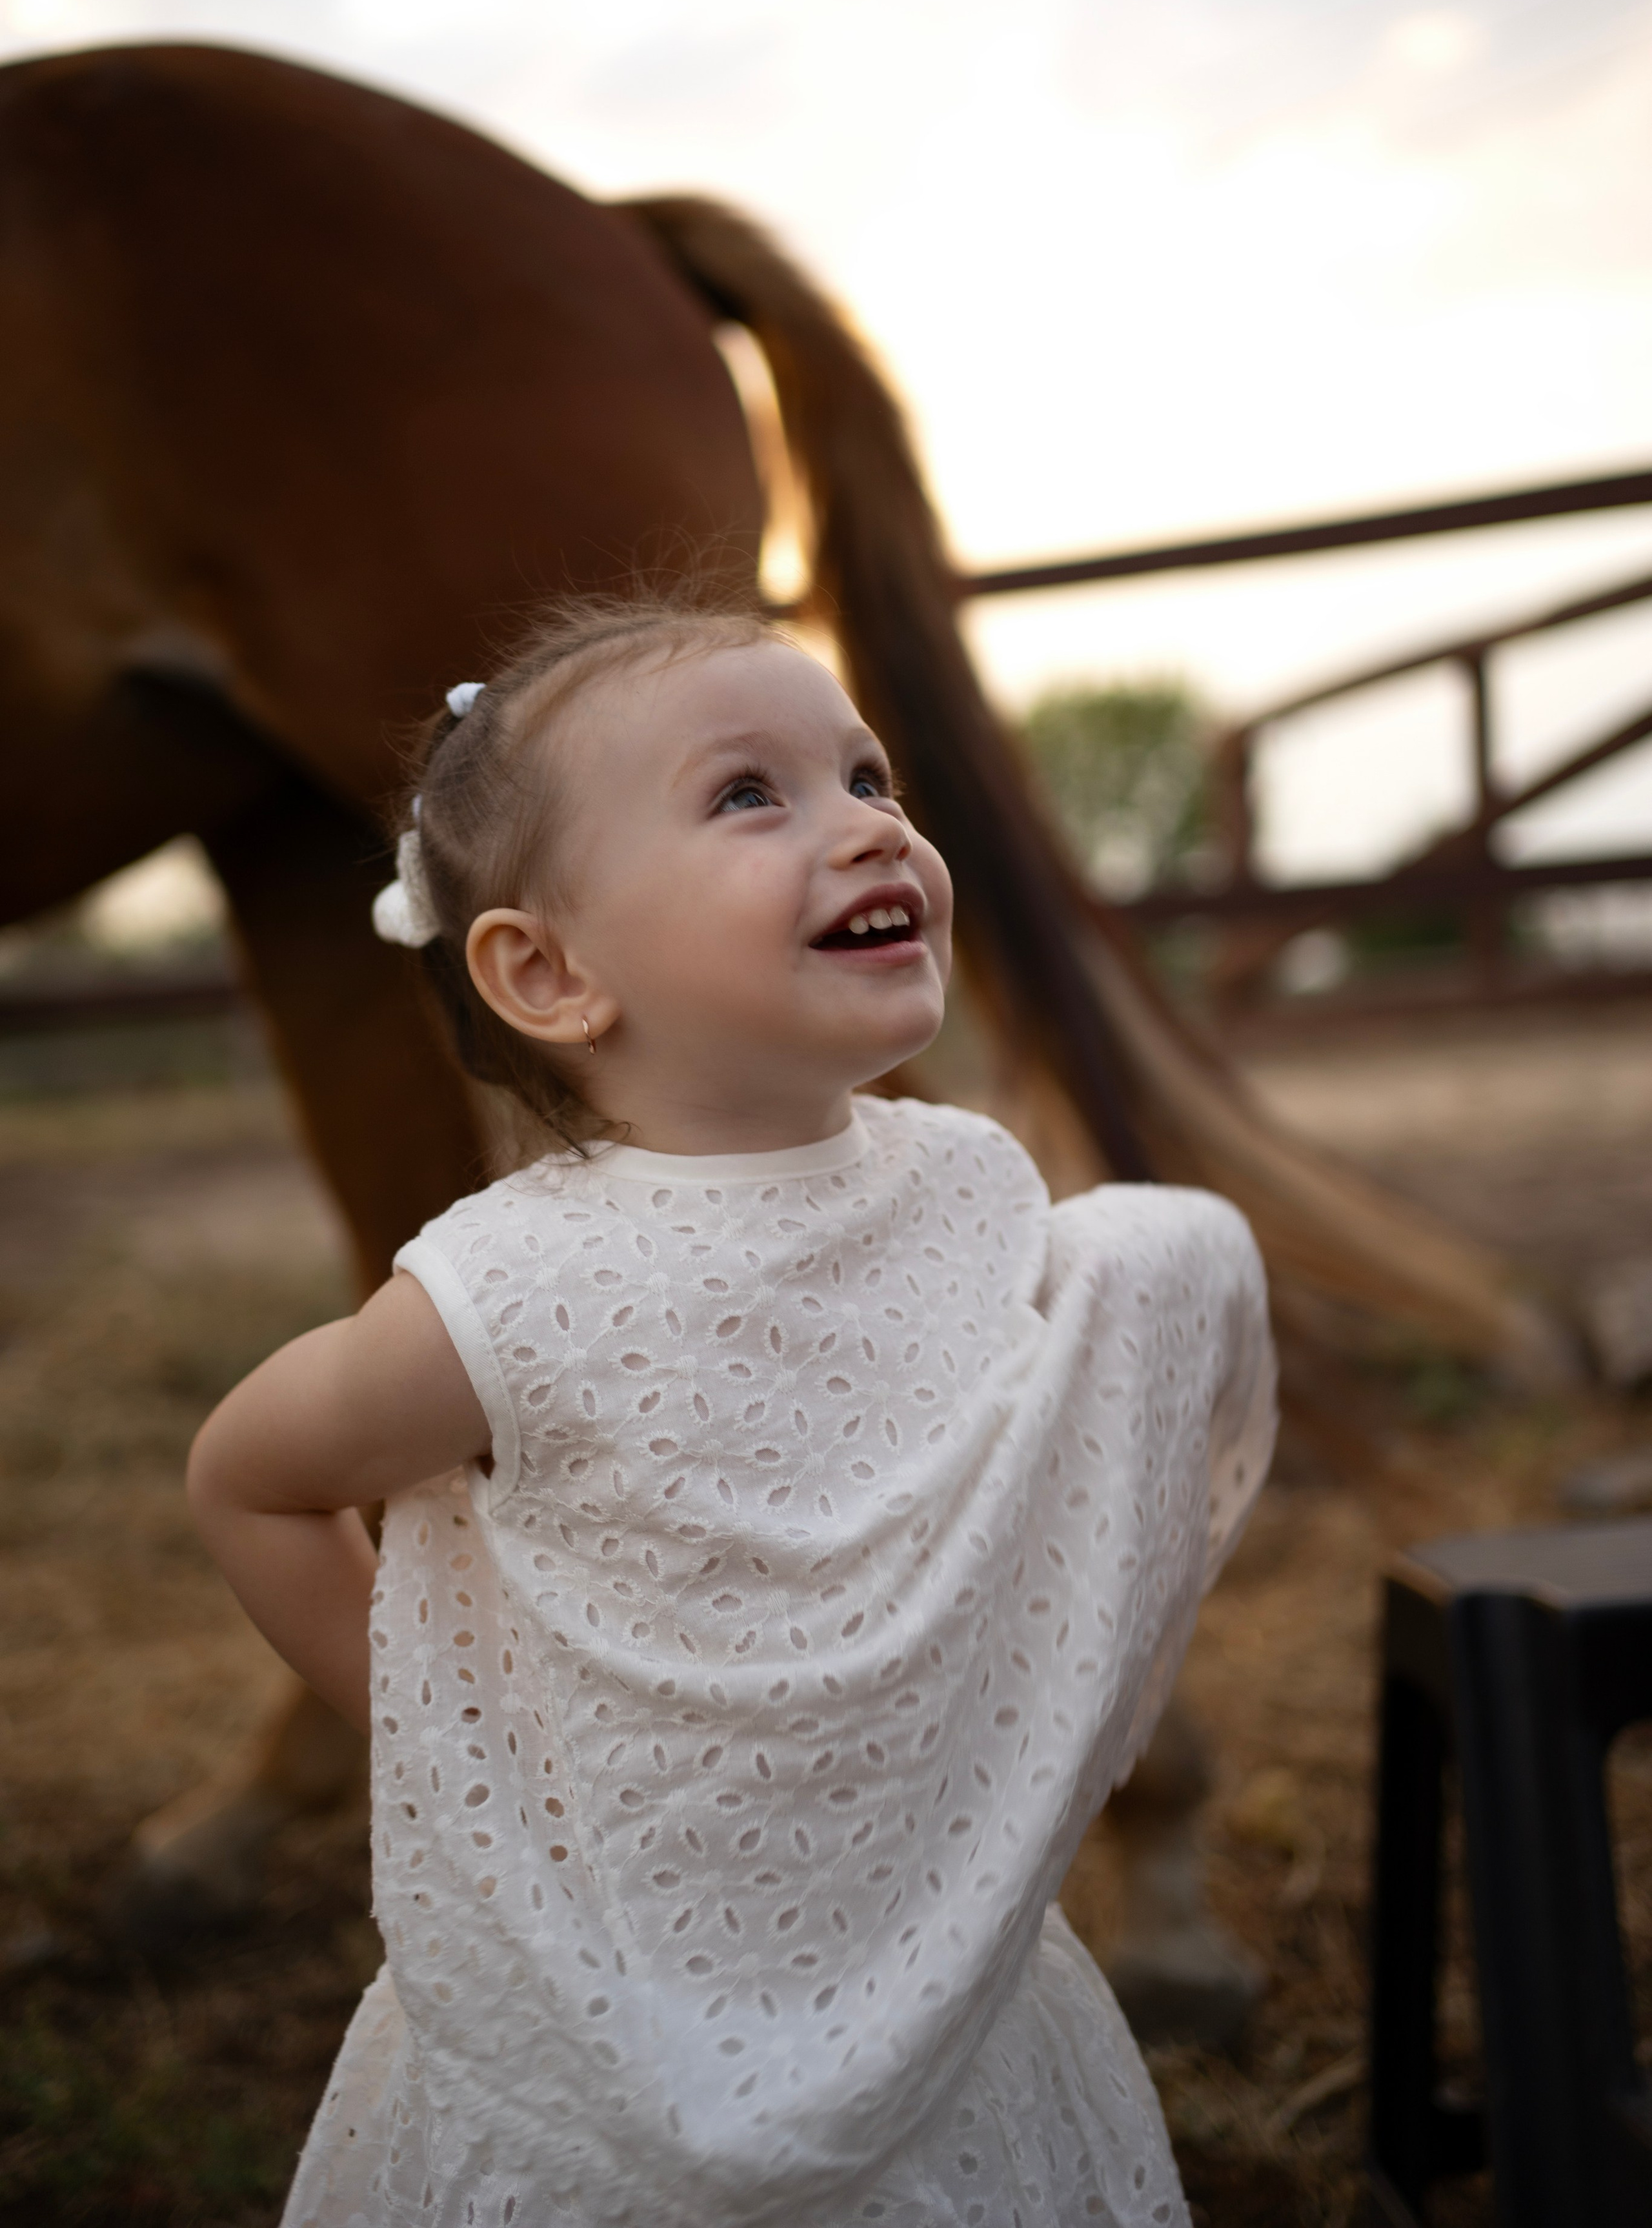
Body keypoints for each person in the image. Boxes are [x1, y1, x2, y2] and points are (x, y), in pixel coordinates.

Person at [187, 596, 1276, 2228]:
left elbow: (993, 1499)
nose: (863, 828)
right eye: (749, 794)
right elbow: (249, 1478)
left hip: (937, 1942)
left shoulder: (974, 1190)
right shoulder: (510, 1292)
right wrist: (466, 1772)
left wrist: (1145, 1289)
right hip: (616, 1963)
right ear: (547, 972)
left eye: (869, 777)